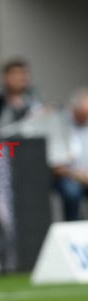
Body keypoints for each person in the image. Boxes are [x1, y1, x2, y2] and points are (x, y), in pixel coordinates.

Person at [51, 88, 88, 220]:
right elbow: (56, 166)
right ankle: (73, 227)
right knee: (72, 191)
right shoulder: (61, 126)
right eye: (82, 115)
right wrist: (77, 175)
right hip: (67, 176)